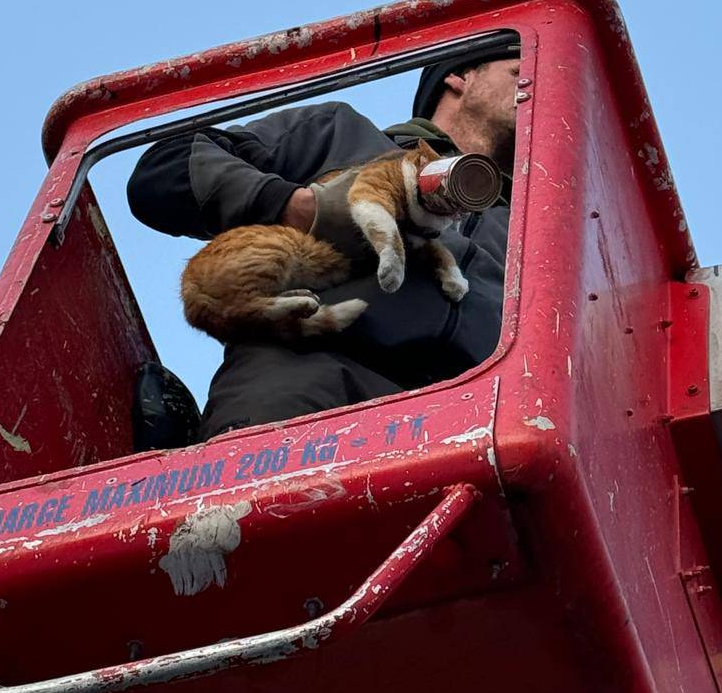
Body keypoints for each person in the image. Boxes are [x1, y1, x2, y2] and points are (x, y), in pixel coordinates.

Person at [127, 47, 521, 437]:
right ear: (459, 77)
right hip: (303, 394)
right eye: (520, 71)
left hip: (467, 427)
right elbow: (164, 171)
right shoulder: (339, 133)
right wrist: (299, 207)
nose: (537, 88)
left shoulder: (537, 226)